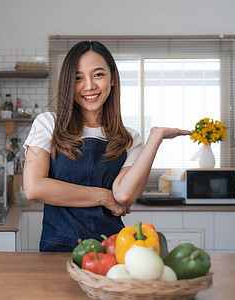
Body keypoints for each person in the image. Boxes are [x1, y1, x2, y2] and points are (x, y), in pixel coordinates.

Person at [23, 41, 191, 252]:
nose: (89, 86)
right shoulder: (48, 124)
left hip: (112, 251)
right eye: (78, 78)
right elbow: (34, 188)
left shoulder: (130, 138)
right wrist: (104, 197)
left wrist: (156, 137)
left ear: (112, 79)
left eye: (98, 75)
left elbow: (123, 195)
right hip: (57, 250)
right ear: (68, 83)